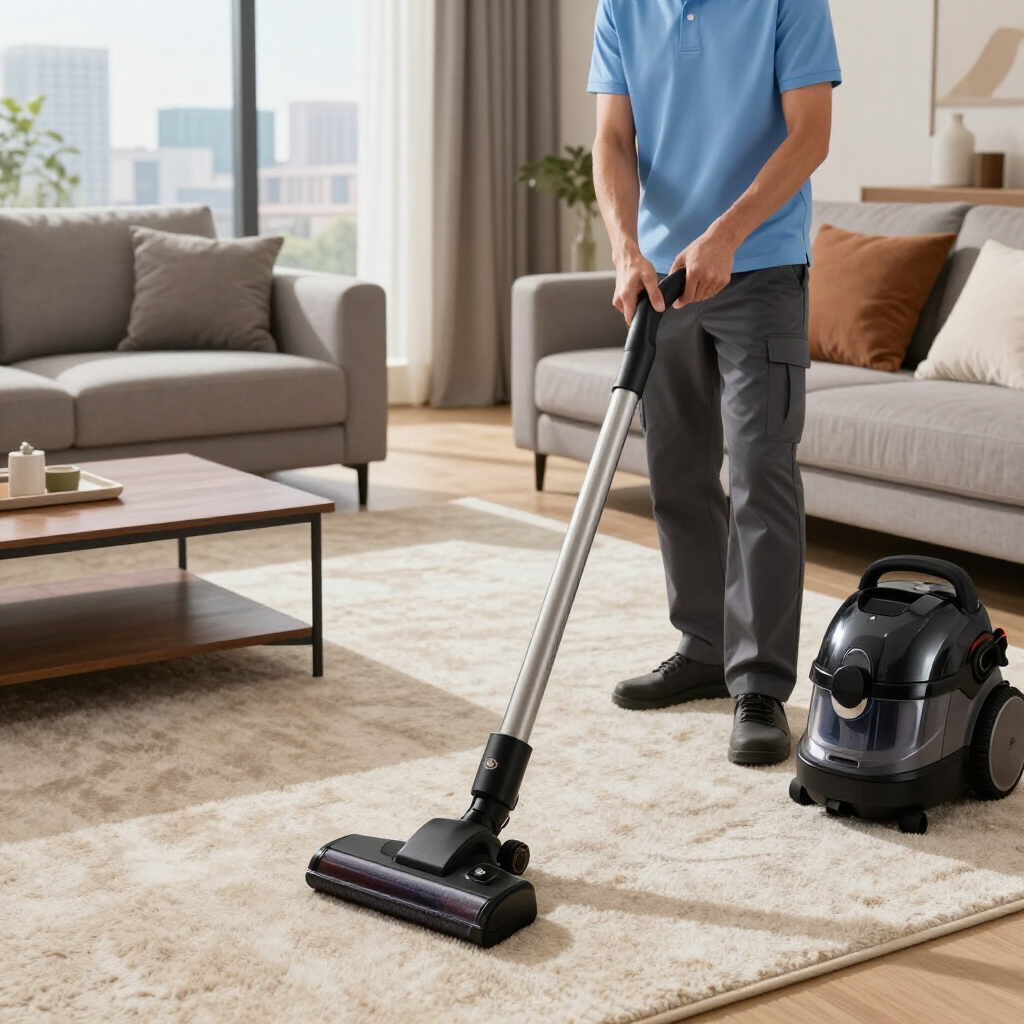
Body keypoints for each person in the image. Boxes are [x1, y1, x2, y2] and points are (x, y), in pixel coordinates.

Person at [589, 0, 841, 765]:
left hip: (760, 267)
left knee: (761, 469)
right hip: (662, 278)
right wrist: (625, 247)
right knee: (676, 469)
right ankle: (703, 647)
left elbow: (811, 134)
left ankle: (760, 682)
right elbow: (612, 137)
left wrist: (726, 233)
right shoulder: (622, 7)